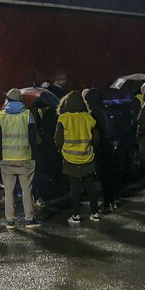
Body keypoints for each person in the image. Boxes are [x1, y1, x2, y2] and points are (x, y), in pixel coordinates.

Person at [0, 89, 41, 230]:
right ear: (20, 99)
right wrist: (35, 157)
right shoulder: (27, 115)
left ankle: (10, 221)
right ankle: (29, 220)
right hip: (25, 158)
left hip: (6, 159)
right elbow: (33, 139)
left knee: (8, 191)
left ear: (8, 100)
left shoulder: (1, 115)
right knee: (27, 190)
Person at [55, 90, 99, 223]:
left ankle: (76, 215)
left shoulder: (64, 118)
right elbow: (96, 139)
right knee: (90, 186)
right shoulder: (88, 118)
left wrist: (60, 149)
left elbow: (58, 139)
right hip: (87, 156)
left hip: (70, 158)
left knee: (74, 188)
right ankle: (95, 213)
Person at [83, 88, 119, 212]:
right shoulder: (105, 109)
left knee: (104, 177)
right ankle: (111, 201)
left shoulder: (94, 113)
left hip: (101, 147)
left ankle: (107, 203)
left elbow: (96, 133)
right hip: (109, 145)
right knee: (109, 175)